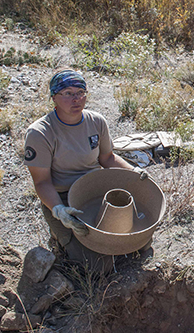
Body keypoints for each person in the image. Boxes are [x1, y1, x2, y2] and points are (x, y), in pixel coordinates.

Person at [24, 69, 148, 273]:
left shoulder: (96, 121)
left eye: (80, 92)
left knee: (139, 244)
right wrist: (59, 210)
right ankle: (59, 238)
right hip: (63, 198)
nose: (76, 99)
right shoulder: (40, 133)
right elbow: (42, 182)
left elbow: (107, 158)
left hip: (96, 189)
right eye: (68, 93)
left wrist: (133, 171)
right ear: (54, 97)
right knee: (98, 266)